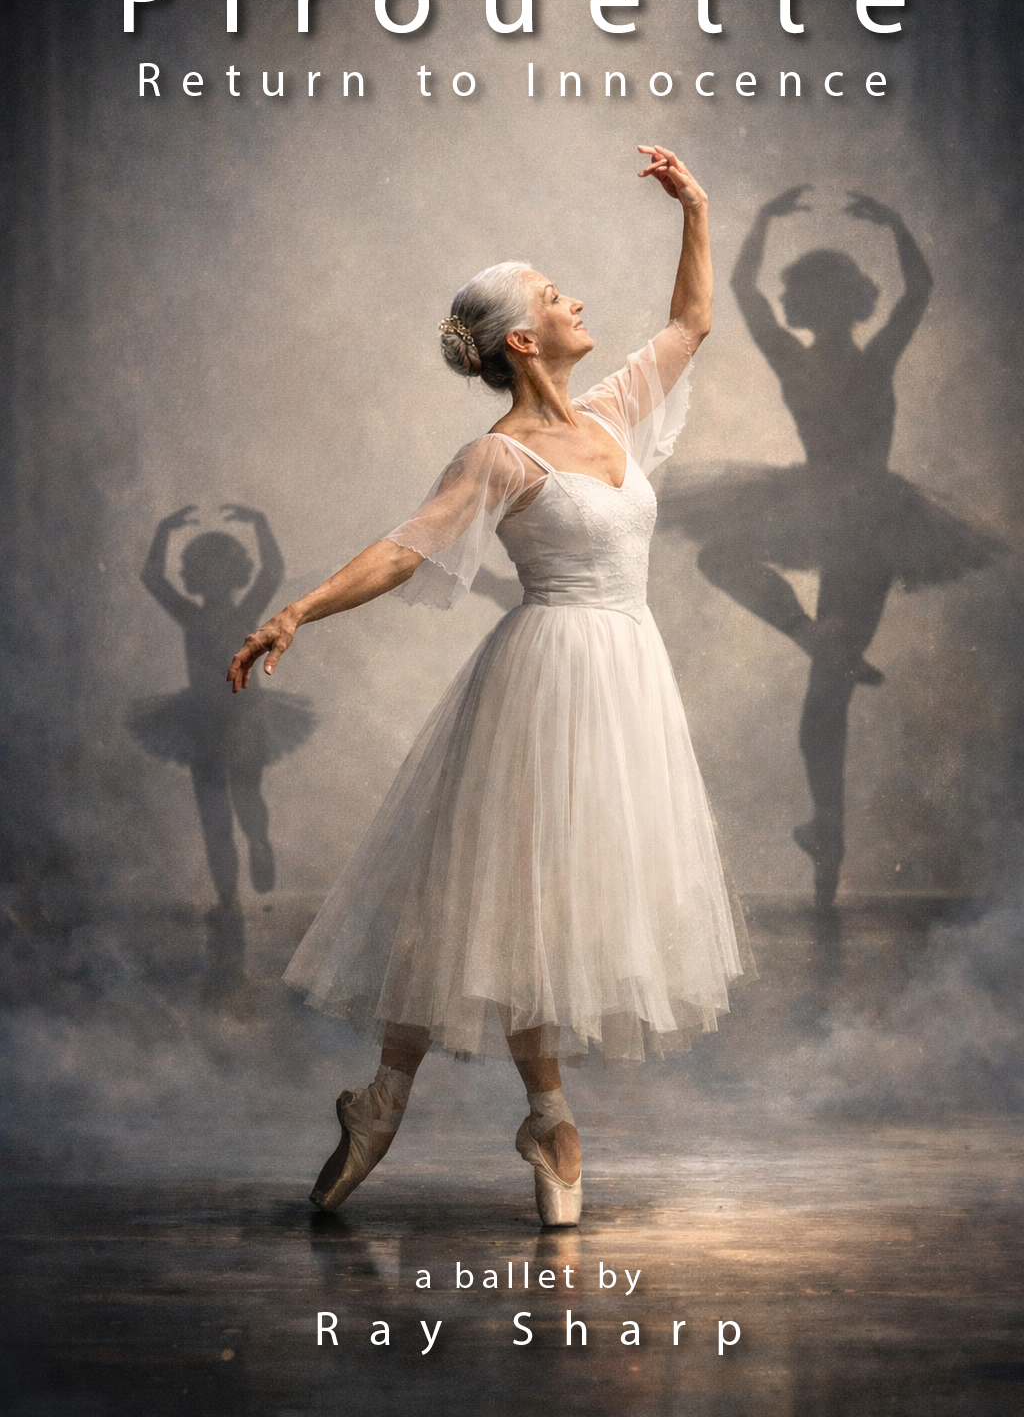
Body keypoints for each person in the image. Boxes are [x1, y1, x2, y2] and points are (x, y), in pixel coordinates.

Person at [227, 147, 751, 1226]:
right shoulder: (499, 457)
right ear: (522, 339)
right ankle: (536, 1121)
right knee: (509, 898)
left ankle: (395, 1100)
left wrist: (695, 208)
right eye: (556, 296)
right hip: (546, 681)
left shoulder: (611, 416)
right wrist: (297, 610)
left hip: (627, 679)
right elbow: (402, 550)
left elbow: (692, 322)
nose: (576, 302)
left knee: (536, 901)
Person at [658, 188, 1005, 912]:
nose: (798, 305)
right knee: (822, 687)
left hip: (845, 514)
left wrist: (766, 224)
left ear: (823, 305)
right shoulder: (864, 358)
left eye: (806, 295)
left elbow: (749, 292)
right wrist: (893, 225)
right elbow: (911, 292)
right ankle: (827, 814)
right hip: (857, 515)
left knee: (790, 647)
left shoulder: (813, 359)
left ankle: (828, 826)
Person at [130, 505, 315, 984]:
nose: (212, 580)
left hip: (242, 717)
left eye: (219, 571)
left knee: (244, 797)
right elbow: (152, 578)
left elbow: (272, 572)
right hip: (204, 719)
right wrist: (163, 530)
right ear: (197, 578)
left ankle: (257, 843)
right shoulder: (194, 615)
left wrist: (260, 522)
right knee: (214, 813)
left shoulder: (242, 613)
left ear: (233, 575)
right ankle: (228, 899)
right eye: (204, 572)